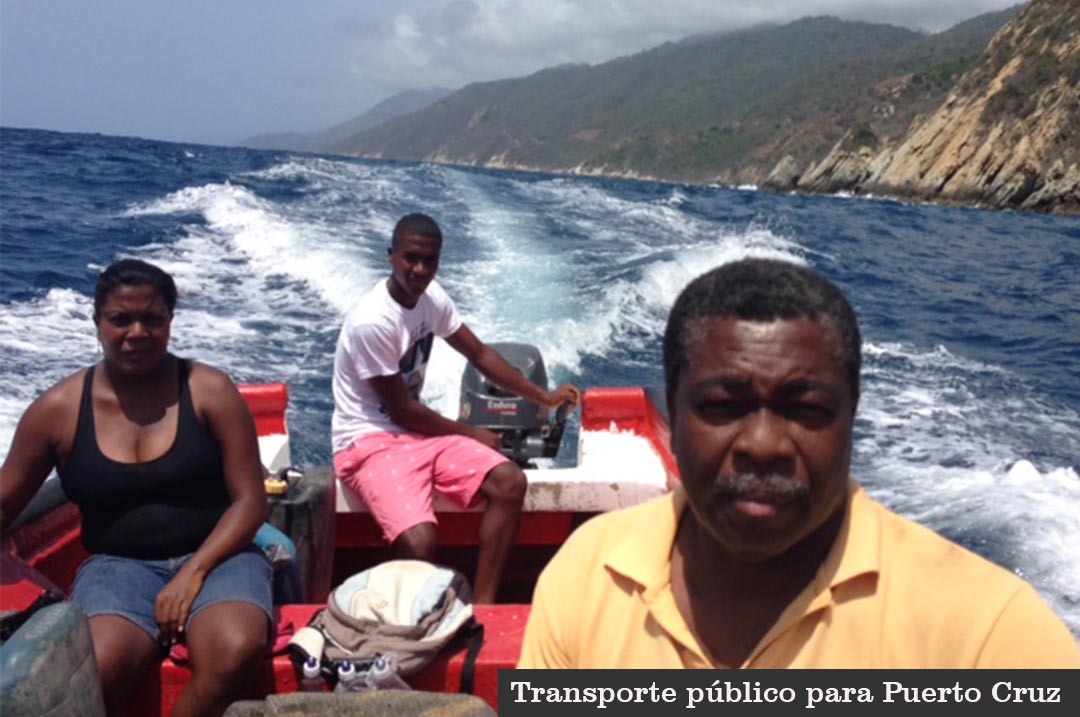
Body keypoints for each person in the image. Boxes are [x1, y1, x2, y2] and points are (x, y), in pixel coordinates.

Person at [518, 258, 1080, 668]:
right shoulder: (587, 575)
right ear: (674, 410)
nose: (764, 444)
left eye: (806, 409)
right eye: (723, 406)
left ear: (852, 413)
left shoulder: (991, 635)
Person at [0, 259, 273, 716]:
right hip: (117, 567)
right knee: (96, 669)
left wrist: (193, 572)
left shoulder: (209, 390)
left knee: (235, 650)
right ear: (97, 322)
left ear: (170, 322)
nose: (137, 332)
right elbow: (5, 503)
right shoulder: (57, 411)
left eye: (152, 319)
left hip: (220, 556)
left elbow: (251, 502)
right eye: (121, 319)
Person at [332, 213, 580, 604]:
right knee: (420, 542)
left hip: (415, 436)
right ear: (391, 256)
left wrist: (542, 398)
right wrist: (472, 434)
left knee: (509, 482)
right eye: (411, 258)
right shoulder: (373, 322)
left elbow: (480, 354)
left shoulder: (431, 298)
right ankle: (398, 614)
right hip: (367, 442)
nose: (420, 270)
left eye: (430, 260)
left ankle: (483, 609)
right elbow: (402, 410)